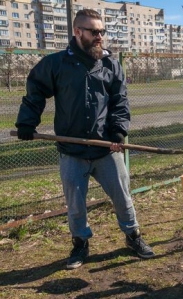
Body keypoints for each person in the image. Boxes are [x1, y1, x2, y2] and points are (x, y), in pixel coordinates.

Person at [15, 9, 155, 269]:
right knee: (75, 204)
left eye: (102, 31)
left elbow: (120, 101)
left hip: (106, 149)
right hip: (72, 150)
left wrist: (118, 131)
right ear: (78, 32)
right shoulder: (57, 64)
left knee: (123, 197)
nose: (99, 36)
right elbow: (35, 91)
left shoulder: (111, 64)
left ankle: (133, 236)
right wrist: (26, 123)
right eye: (94, 31)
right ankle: (80, 244)